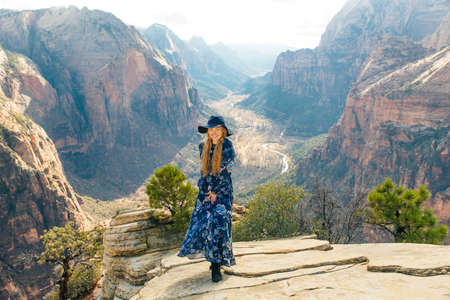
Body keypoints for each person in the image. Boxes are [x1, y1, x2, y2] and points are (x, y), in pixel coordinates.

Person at [177, 115, 236, 282]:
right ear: (208, 131)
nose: (215, 133)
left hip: (222, 193)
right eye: (212, 130)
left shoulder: (228, 147)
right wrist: (205, 190)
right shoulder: (202, 146)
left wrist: (215, 191)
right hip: (204, 193)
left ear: (223, 131)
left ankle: (216, 266)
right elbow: (204, 171)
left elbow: (226, 171)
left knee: (218, 227)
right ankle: (213, 259)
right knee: (204, 226)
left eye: (218, 129)